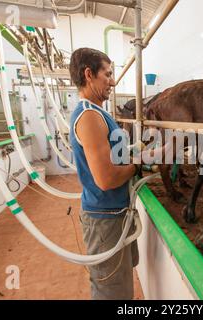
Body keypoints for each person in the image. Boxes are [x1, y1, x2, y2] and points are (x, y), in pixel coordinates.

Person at [69, 48, 141, 300]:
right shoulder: (89, 117)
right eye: (108, 74)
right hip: (105, 221)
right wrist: (139, 164)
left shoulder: (98, 112)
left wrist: (138, 152)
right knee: (111, 292)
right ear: (89, 74)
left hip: (114, 215)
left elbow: (111, 155)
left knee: (119, 284)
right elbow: (106, 178)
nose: (112, 81)